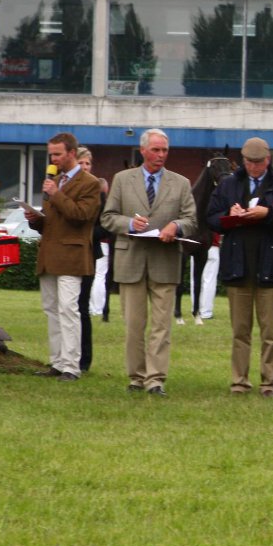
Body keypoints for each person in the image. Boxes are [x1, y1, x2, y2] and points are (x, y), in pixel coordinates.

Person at [100, 128, 198, 397]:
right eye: (156, 150)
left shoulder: (181, 183)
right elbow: (107, 217)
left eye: (165, 150)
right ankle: (136, 376)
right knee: (134, 325)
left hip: (165, 261)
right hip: (130, 259)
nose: (161, 155)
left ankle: (156, 379)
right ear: (143, 151)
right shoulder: (122, 180)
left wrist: (175, 227)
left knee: (161, 326)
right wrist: (129, 223)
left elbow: (191, 220)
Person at [206, 137, 273, 397]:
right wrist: (230, 216)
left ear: (267, 160)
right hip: (238, 266)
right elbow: (211, 218)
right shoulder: (228, 185)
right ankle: (239, 381)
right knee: (240, 331)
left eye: (258, 162)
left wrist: (267, 214)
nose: (253, 167)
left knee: (270, 332)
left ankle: (269, 382)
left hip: (270, 268)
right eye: (249, 162)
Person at [25, 133, 102, 382]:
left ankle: (72, 366)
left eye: (58, 154)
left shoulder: (89, 182)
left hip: (72, 255)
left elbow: (81, 215)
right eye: (51, 154)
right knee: (52, 310)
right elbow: (54, 220)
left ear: (71, 153)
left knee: (69, 309)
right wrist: (36, 221)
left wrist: (56, 194)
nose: (54, 159)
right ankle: (57, 362)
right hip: (49, 253)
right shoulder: (53, 181)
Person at [75, 146, 108, 372]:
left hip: (88, 252)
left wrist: (83, 236)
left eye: (89, 164)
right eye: (82, 163)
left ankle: (84, 359)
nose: (86, 167)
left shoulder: (99, 192)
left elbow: (105, 225)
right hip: (66, 253)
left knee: (82, 306)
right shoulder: (63, 187)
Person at [190, 235, 220, 320]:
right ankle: (206, 312)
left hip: (196, 245)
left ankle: (195, 309)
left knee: (195, 279)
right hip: (212, 245)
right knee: (210, 280)